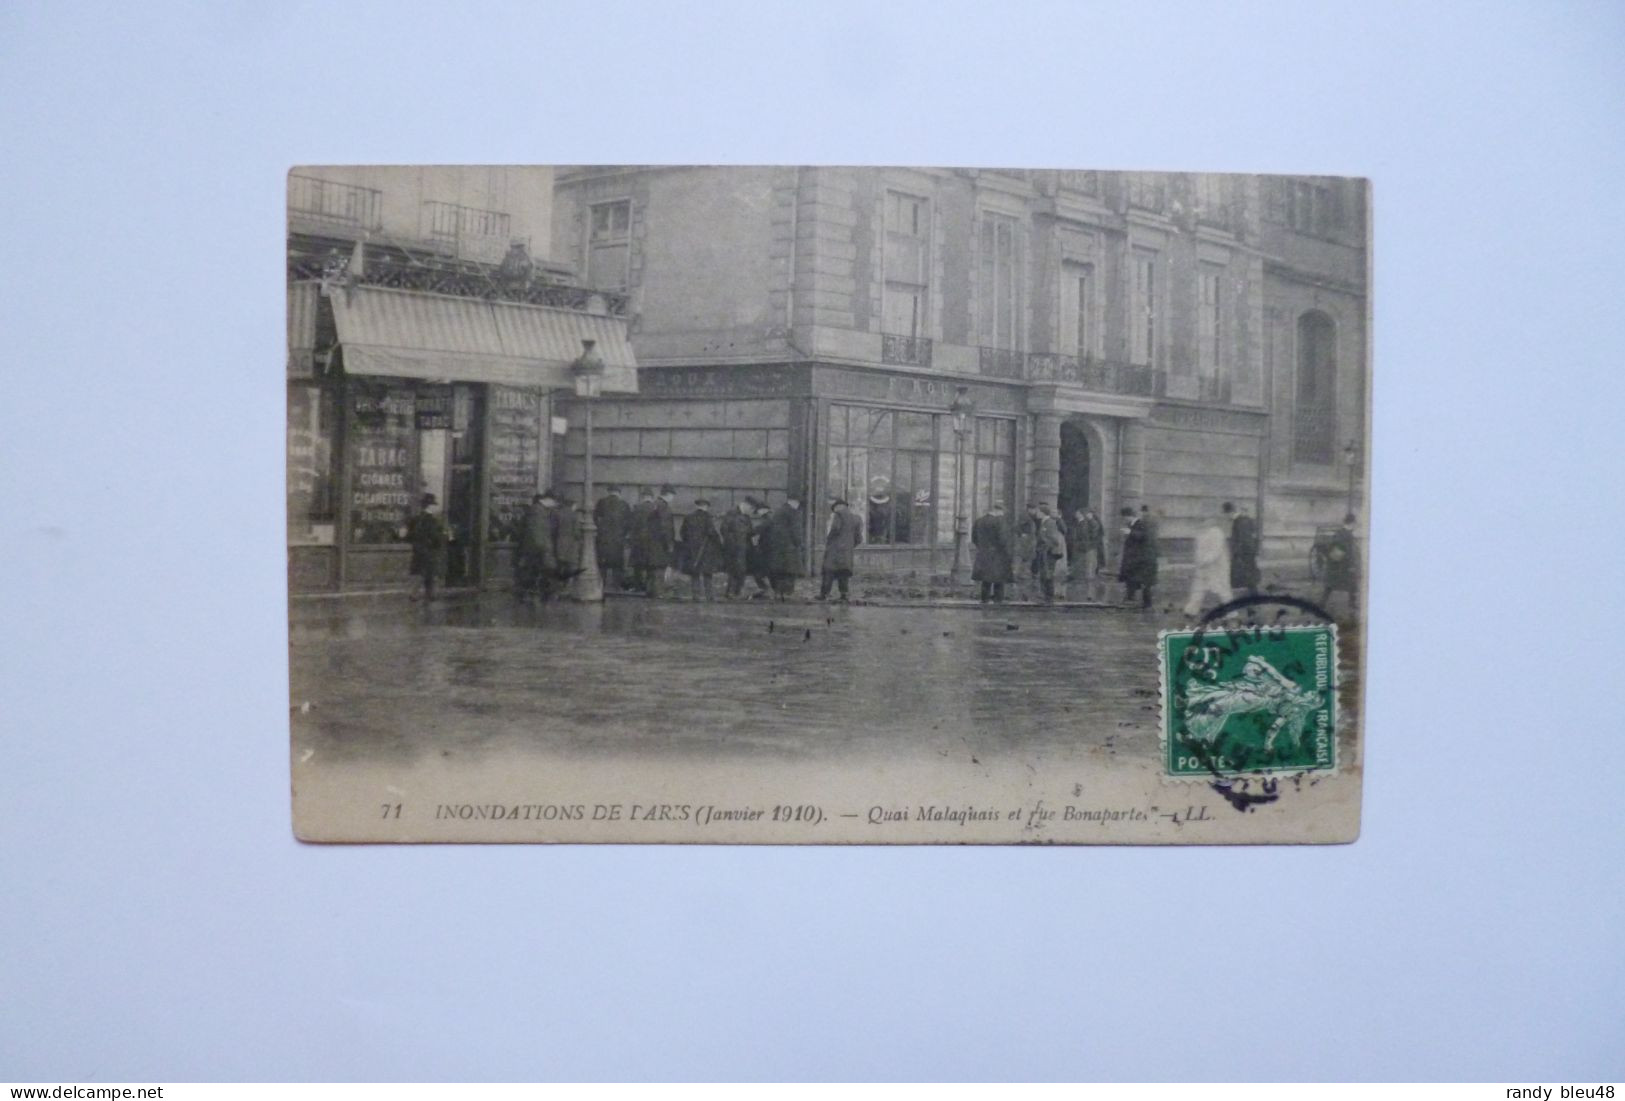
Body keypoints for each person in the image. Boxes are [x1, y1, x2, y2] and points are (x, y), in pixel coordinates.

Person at [1185, 502, 1235, 617]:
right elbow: (1198, 549)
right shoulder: (1201, 533)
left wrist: (1205, 560)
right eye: (1202, 520)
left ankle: (1231, 612)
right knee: (1198, 589)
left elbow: (1216, 551)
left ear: (1212, 520)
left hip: (1217, 567)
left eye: (1205, 519)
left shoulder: (1216, 533)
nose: (1203, 522)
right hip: (1203, 567)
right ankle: (1191, 610)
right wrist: (1198, 560)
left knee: (1223, 589)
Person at [406, 493, 451, 601]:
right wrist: (445, 536)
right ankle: (424, 594)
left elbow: (409, 535)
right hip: (429, 550)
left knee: (420, 572)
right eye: (434, 505)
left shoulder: (416, 519)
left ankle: (418, 594)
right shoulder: (431, 520)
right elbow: (435, 536)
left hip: (418, 550)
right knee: (428, 572)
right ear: (430, 506)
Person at [679, 498, 724, 601]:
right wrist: (718, 544)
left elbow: (682, 533)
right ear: (706, 507)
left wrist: (689, 543)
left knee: (695, 573)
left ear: (697, 506)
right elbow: (712, 533)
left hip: (692, 550)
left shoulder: (688, 517)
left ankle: (696, 595)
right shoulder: (708, 518)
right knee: (707, 573)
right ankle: (709, 595)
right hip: (706, 550)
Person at [818, 498, 862, 602]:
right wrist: (850, 546)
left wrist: (829, 541)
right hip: (847, 552)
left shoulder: (838, 515)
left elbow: (835, 529)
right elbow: (859, 538)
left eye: (834, 508)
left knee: (828, 571)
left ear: (838, 507)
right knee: (844, 573)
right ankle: (844, 595)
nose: (834, 511)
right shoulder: (856, 518)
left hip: (835, 550)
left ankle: (824, 595)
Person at [971, 502, 1014, 604]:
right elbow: (1003, 539)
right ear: (998, 510)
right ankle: (998, 601)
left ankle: (984, 599)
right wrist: (1007, 552)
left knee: (985, 579)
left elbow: (974, 538)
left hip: (983, 553)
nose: (1002, 514)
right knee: (999, 579)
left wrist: (982, 548)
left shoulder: (979, 521)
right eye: (1002, 512)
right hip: (998, 554)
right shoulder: (999, 522)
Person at [1119, 504, 1159, 609]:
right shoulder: (1134, 524)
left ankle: (1146, 603)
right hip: (1136, 559)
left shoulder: (1141, 523)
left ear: (1128, 516)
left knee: (1145, 583)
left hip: (1142, 559)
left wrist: (1130, 532)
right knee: (1132, 579)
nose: (1124, 520)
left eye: (1124, 518)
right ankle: (1130, 599)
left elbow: (1144, 536)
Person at [764, 494, 804, 601]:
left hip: (777, 548)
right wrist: (799, 542)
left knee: (778, 571)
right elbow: (796, 532)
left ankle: (777, 592)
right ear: (796, 502)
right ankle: (787, 594)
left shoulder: (779, 511)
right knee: (790, 571)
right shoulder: (793, 513)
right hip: (789, 549)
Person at [593, 484, 632, 593]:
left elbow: (594, 519)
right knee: (617, 565)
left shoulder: (601, 503)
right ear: (619, 492)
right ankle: (616, 587)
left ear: (608, 491)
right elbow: (629, 523)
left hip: (603, 540)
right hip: (618, 540)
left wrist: (600, 531)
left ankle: (601, 586)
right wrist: (623, 534)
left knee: (602, 565)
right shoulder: (624, 505)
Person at [1321, 512, 1360, 613]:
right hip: (1341, 565)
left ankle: (1323, 603)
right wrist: (1351, 565)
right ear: (1351, 523)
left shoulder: (1339, 533)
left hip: (1335, 565)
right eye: (1354, 524)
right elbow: (1346, 551)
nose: (1355, 526)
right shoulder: (1347, 535)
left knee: (1332, 585)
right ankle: (1351, 603)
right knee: (1349, 582)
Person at [718, 499, 755, 599]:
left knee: (741, 570)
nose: (751, 511)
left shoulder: (746, 517)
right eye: (751, 508)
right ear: (745, 505)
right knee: (735, 569)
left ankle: (736, 592)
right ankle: (732, 592)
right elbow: (724, 530)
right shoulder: (731, 514)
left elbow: (750, 532)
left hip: (744, 547)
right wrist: (732, 543)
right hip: (734, 548)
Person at [1070, 507, 1107, 602]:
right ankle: (1088, 593)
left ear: (1091, 514)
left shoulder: (1093, 523)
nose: (1087, 515)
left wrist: (1086, 544)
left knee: (1089, 570)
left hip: (1090, 549)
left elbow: (1092, 537)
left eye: (1088, 514)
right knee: (1087, 570)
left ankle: (1090, 593)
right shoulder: (1087, 523)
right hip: (1087, 548)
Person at [1036, 504, 1068, 602]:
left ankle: (1048, 596)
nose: (1037, 513)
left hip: (1048, 553)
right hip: (1044, 552)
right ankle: (1045, 595)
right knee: (1044, 573)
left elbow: (1054, 539)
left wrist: (1046, 547)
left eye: (1038, 511)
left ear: (1042, 512)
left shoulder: (1049, 523)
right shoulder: (1044, 522)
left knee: (1047, 573)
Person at [1228, 501, 1260, 596]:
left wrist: (1236, 553)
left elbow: (1243, 539)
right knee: (1249, 574)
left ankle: (1254, 596)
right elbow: (1253, 536)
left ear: (1232, 512)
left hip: (1245, 552)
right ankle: (1253, 594)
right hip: (1248, 552)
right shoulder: (1247, 520)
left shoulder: (1240, 521)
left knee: (1248, 574)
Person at [746, 501, 774, 598]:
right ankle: (768, 590)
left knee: (759, 572)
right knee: (764, 572)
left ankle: (767, 590)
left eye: (759, 511)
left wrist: (748, 532)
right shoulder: (767, 519)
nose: (758, 513)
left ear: (764, 510)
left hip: (766, 550)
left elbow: (758, 530)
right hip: (767, 549)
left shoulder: (767, 520)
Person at [1016, 503, 1042, 601]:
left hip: (1028, 548)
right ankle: (1025, 594)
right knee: (1026, 572)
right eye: (1035, 509)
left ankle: (1026, 593)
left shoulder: (1027, 518)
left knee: (1026, 571)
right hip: (1028, 549)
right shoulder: (1027, 519)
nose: (1036, 512)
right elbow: (1019, 529)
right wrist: (1024, 535)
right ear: (1030, 509)